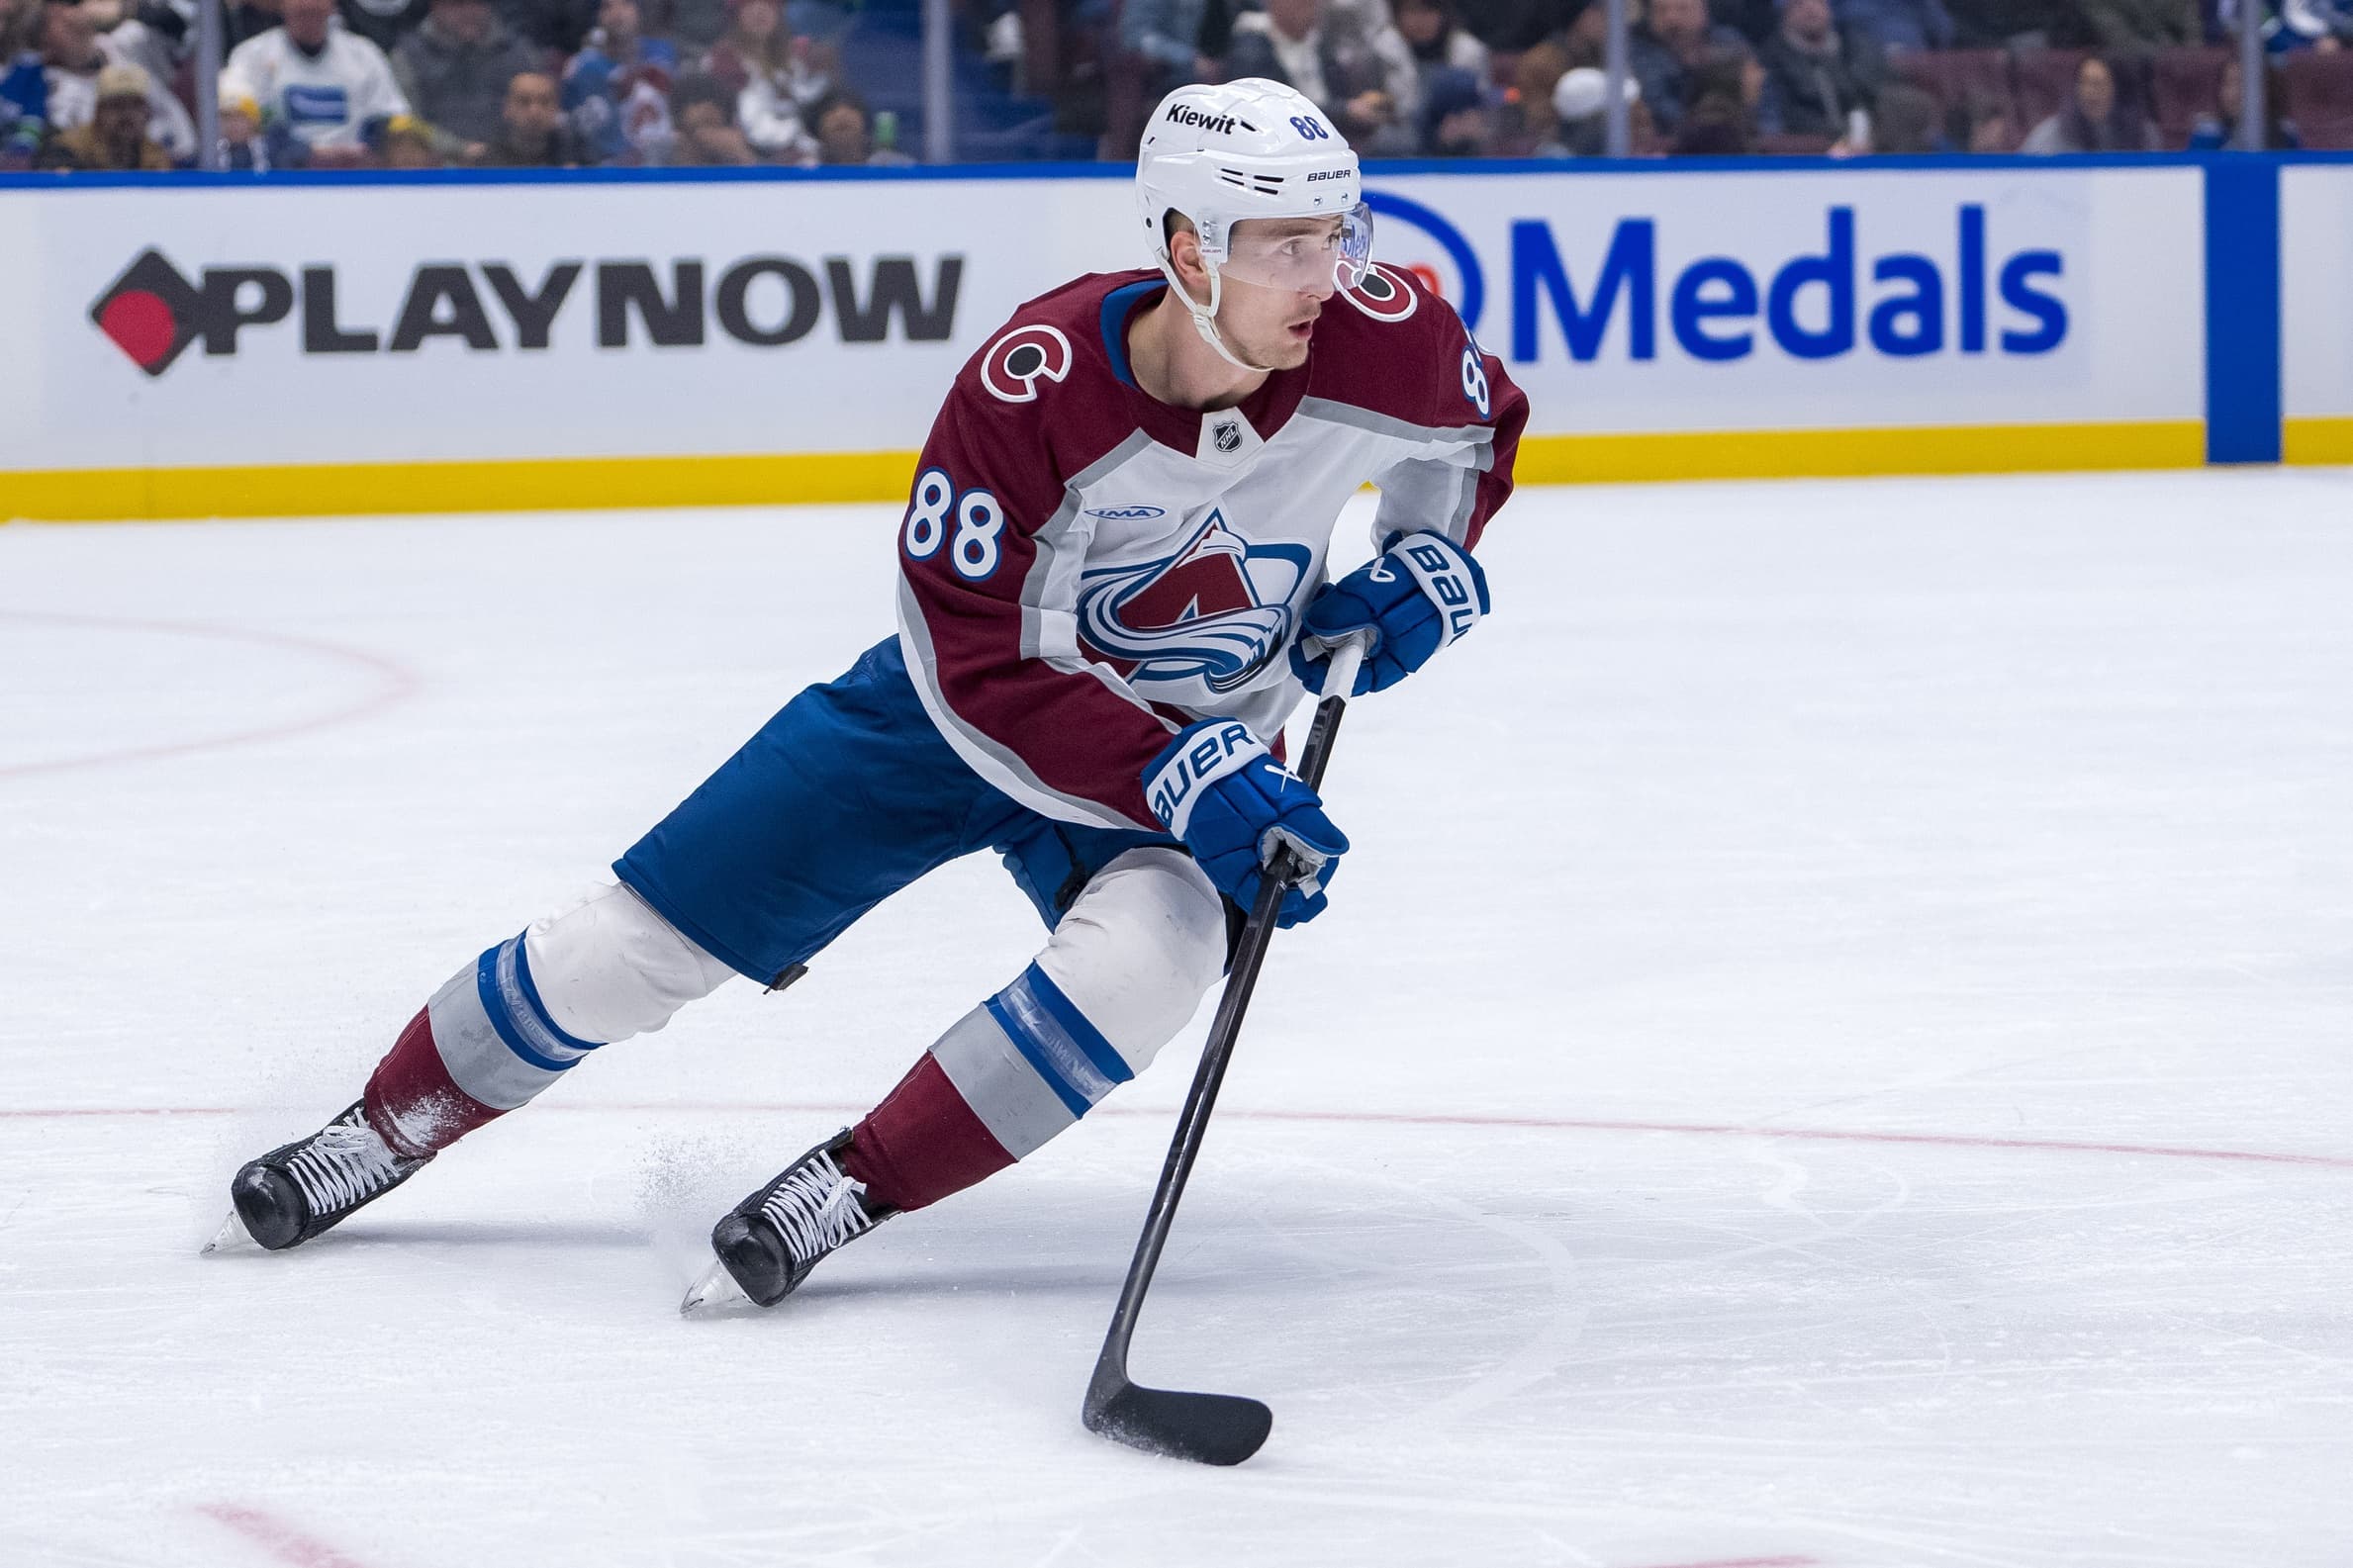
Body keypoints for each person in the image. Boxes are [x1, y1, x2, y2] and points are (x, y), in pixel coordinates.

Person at [210, 77, 1528, 1325]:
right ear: (1187, 246)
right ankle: (379, 1129)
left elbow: (1480, 430)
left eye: (1332, 234)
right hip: (951, 720)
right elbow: (977, 656)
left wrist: (1429, 559)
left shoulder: (1385, 333)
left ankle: (852, 1182)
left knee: (1151, 963)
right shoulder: (1033, 388)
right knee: (631, 946)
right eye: (1280, 245)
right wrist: (1180, 774)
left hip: (1197, 745)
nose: (1324, 275)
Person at [221, 0, 411, 162]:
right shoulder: (252, 55)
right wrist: (298, 151)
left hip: (356, 174)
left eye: (316, 7)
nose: (309, 5)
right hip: (278, 176)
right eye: (301, 8)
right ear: (283, 5)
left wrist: (366, 147)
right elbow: (236, 118)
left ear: (332, 6)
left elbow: (390, 116)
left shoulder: (364, 54)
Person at [1222, 0, 1421, 150]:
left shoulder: (1320, 45)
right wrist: (1345, 111)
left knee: (1399, 138)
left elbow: (1340, 92)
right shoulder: (1251, 48)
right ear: (1276, 5)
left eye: (1313, 4)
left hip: (1332, 136)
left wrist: (1361, 107)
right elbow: (1270, 108)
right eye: (1302, 4)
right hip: (1280, 144)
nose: (1310, 12)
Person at [391, 0, 539, 150]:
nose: (469, 12)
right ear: (435, 6)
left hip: (514, 163)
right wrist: (458, 148)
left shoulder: (520, 54)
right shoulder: (407, 56)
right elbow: (407, 120)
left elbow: (540, 112)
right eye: (458, 4)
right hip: (433, 165)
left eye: (477, 3)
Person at [699, 0, 823, 161]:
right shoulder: (718, 63)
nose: (759, 10)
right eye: (749, 4)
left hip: (803, 157)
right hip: (744, 161)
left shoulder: (800, 61)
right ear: (735, 13)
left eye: (768, 3)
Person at [1755, 0, 1880, 140]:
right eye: (1799, 3)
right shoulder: (1772, 59)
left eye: (1818, 1)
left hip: (1865, 144)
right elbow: (1783, 115)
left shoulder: (1853, 48)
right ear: (1785, 12)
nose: (1811, 8)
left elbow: (1871, 97)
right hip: (1805, 151)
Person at [36, 55, 169, 162]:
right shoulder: (68, 152)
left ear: (147, 113)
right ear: (99, 112)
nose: (127, 114)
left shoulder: (155, 158)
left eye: (135, 105)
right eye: (117, 105)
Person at [2020, 52, 2158, 151]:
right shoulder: (2050, 136)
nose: (2089, 92)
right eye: (2083, 83)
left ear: (2118, 90)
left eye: (2098, 84)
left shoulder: (2144, 135)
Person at [470, 65, 586, 160]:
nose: (534, 112)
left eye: (545, 102)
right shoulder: (488, 163)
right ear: (507, 108)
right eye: (524, 101)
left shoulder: (576, 157)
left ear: (556, 108)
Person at [806, 86, 909, 164]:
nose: (841, 115)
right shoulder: (804, 171)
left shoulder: (895, 166)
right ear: (818, 128)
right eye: (831, 110)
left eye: (851, 108)